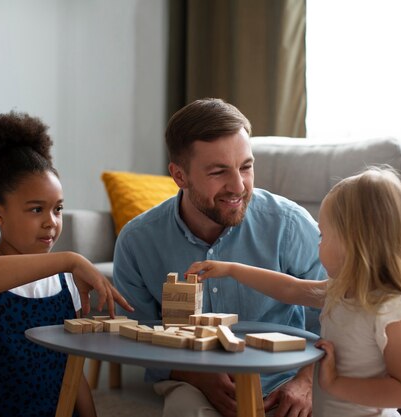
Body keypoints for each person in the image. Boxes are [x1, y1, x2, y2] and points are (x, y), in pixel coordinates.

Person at [113, 98, 326, 417]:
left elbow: (333, 319)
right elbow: (136, 334)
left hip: (290, 379)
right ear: (179, 176)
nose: (238, 186)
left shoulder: (290, 225)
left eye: (246, 166)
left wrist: (307, 381)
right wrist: (193, 375)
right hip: (191, 383)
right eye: (218, 172)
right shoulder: (137, 241)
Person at [186, 167, 401, 417]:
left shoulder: (392, 310)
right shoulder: (340, 292)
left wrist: (334, 383)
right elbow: (289, 288)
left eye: (323, 235)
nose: (317, 244)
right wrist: (232, 269)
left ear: (354, 243)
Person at [0, 112, 134, 417]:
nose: (51, 222)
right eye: (36, 210)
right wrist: (70, 259)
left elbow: (72, 370)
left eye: (57, 209)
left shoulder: (64, 282)